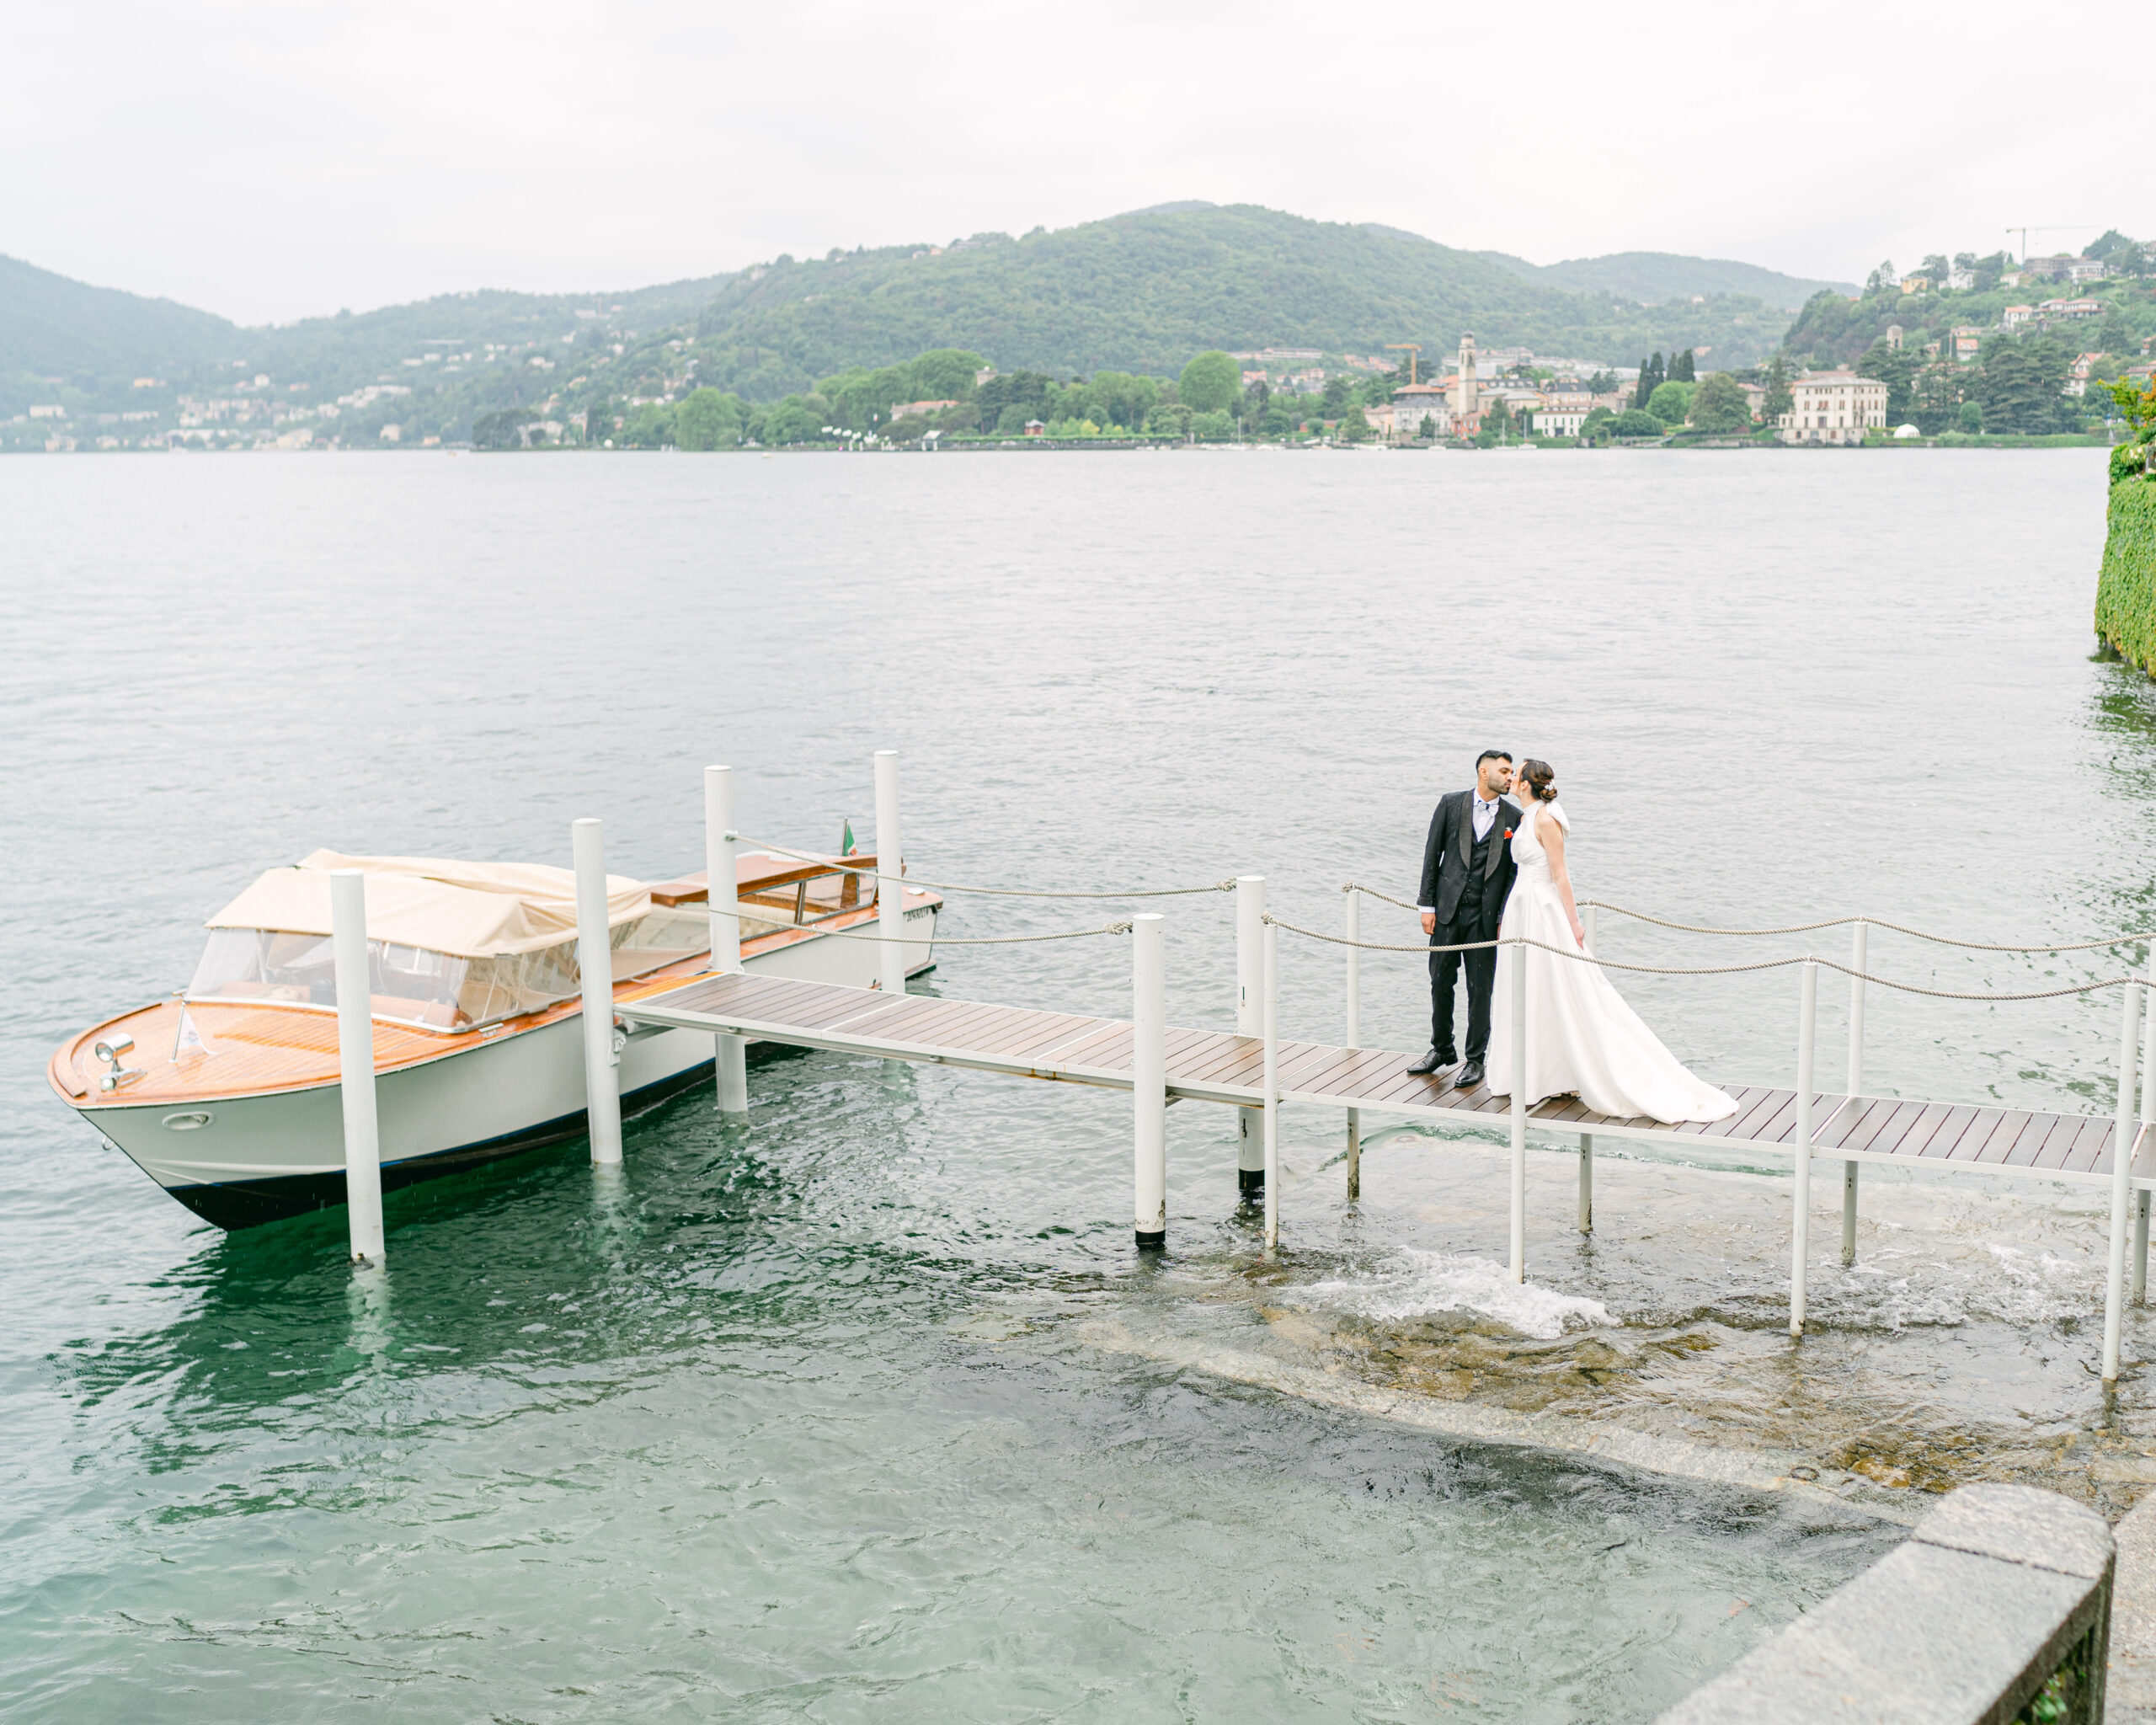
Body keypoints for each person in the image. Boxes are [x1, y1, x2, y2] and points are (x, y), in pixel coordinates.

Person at [1485, 759, 1736, 1124]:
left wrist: (1574, 922)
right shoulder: (1525, 819)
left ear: (1524, 784)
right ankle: (1539, 1071)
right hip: (1521, 910)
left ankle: (1575, 1072)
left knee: (1563, 987)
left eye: (1515, 773)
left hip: (1543, 911)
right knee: (1530, 989)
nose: (1511, 777)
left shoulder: (1546, 820)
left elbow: (1560, 876)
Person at [1408, 750, 1521, 1089]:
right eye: (1504, 771)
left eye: (1513, 772)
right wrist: (1426, 906)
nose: (1510, 777)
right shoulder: (1450, 803)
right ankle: (1442, 1049)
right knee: (1440, 981)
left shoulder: (1515, 818)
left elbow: (1515, 872)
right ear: (1483, 772)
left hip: (1485, 918)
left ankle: (1475, 1059)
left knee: (1480, 988)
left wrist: (1503, 916)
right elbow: (1432, 853)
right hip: (1447, 912)